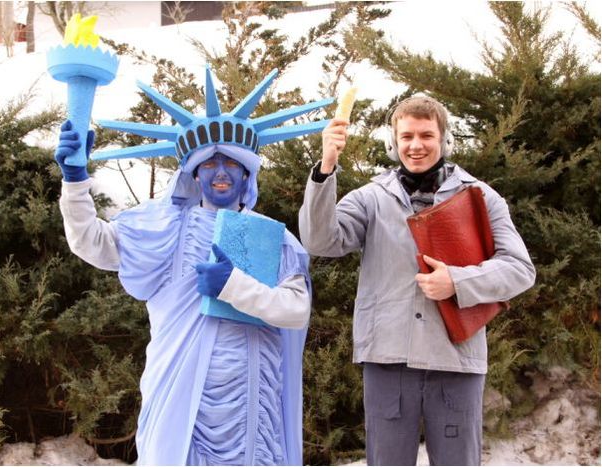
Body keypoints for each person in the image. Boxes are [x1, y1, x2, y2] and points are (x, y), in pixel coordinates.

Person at [54, 66, 331, 465]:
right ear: (195, 173)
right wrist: (75, 180)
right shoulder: (165, 227)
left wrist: (233, 286)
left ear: (247, 173)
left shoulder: (275, 238)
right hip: (181, 401)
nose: (221, 172)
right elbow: (91, 242)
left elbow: (296, 310)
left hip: (250, 411)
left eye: (231, 163)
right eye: (209, 163)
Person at [298, 95, 536, 466]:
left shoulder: (480, 197)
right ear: (393, 143)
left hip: (455, 359)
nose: (416, 145)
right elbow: (319, 241)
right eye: (406, 136)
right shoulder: (371, 198)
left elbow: (520, 268)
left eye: (426, 135)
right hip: (387, 358)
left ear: (445, 139)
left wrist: (457, 281)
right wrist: (326, 168)